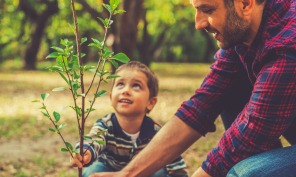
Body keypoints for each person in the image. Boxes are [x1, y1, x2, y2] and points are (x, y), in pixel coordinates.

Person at [87, 0, 296, 176]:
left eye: (207, 10)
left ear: (245, 3)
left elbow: (251, 131)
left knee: (242, 172)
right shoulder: (242, 34)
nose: (198, 23)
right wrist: (127, 174)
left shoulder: (288, 43)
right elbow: (201, 107)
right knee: (228, 90)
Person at [70, 61, 188, 177]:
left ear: (151, 102)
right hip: (109, 172)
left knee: (161, 171)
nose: (125, 91)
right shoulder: (106, 125)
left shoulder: (156, 131)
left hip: (143, 173)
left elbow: (172, 158)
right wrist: (85, 152)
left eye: (136, 86)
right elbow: (93, 140)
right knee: (93, 170)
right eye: (120, 84)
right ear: (111, 97)